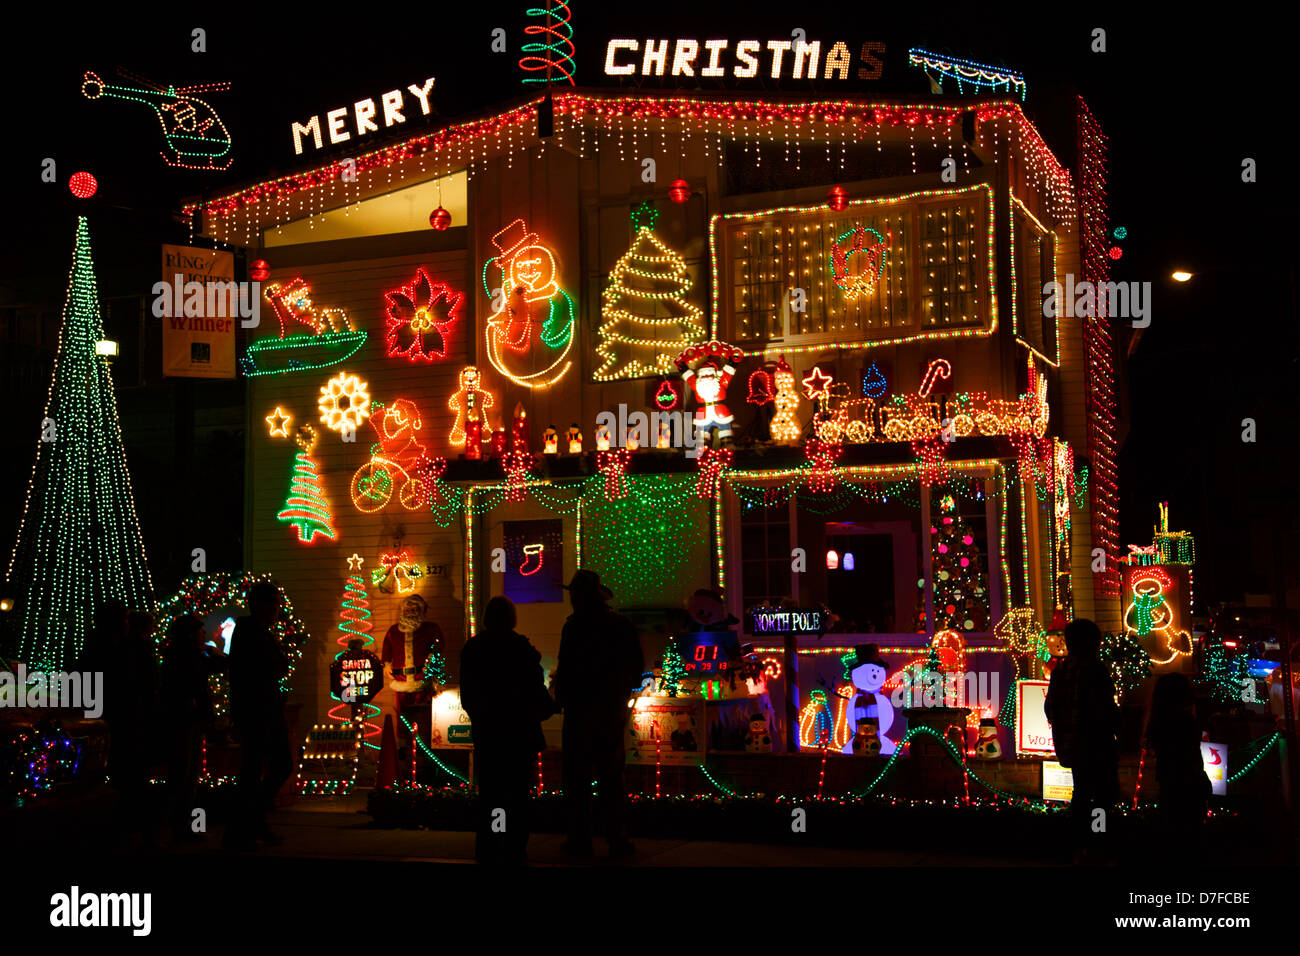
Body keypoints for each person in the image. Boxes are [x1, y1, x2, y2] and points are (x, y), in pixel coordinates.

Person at [553, 570, 644, 858]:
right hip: (610, 710)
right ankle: (617, 839)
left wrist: (562, 698)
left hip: (580, 712)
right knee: (611, 777)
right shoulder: (620, 625)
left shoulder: (574, 627)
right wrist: (620, 693)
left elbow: (566, 667)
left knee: (578, 780)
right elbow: (635, 666)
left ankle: (579, 840)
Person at [460, 596, 557, 864]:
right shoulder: (521, 649)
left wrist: (483, 717)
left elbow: (469, 697)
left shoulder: (473, 648)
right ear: (511, 619)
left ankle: (491, 844)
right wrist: (549, 706)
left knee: (491, 794)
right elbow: (535, 694)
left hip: (489, 735)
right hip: (519, 735)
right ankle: (514, 846)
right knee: (517, 795)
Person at [1044, 617, 1120, 861]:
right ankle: (1098, 842)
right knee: (1103, 795)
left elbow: (1050, 708)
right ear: (1091, 643)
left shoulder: (1060, 671)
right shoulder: (1095, 669)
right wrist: (1120, 731)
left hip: (1072, 744)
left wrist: (1063, 727)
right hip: (1097, 743)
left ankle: (1079, 844)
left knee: (1082, 793)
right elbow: (1107, 708)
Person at [225, 581, 291, 850]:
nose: (278, 609)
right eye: (275, 604)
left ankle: (250, 824)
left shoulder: (257, 632)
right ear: (262, 605)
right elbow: (267, 668)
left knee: (259, 769)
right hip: (258, 711)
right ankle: (247, 825)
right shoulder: (252, 633)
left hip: (263, 709)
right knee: (262, 768)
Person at [160, 614, 218, 844]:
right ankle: (175, 827)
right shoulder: (184, 657)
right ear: (190, 634)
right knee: (183, 774)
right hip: (184, 722)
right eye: (200, 631)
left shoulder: (189, 655)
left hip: (191, 721)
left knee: (188, 774)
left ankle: (180, 826)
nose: (204, 634)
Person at [106, 610, 160, 847]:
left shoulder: (129, 648)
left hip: (134, 718)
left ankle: (131, 825)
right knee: (134, 775)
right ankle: (132, 826)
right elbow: (140, 683)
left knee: (133, 775)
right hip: (135, 720)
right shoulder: (134, 649)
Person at [1146, 673, 1211, 859]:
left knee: (1172, 834)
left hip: (1169, 783)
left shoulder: (1159, 721)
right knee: (1190, 837)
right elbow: (1191, 757)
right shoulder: (1184, 721)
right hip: (1188, 785)